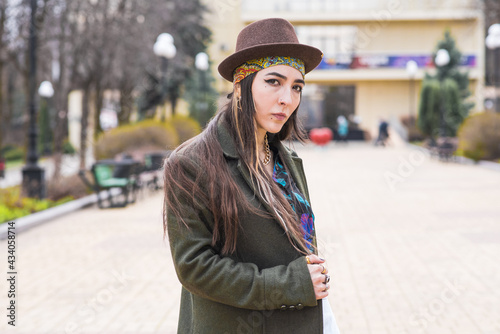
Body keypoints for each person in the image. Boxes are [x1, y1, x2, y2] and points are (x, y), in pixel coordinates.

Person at [163, 18, 340, 334]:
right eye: (274, 81)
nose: (287, 99)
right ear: (241, 85)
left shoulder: (288, 160)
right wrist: (292, 284)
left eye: (296, 86)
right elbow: (195, 267)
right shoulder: (191, 163)